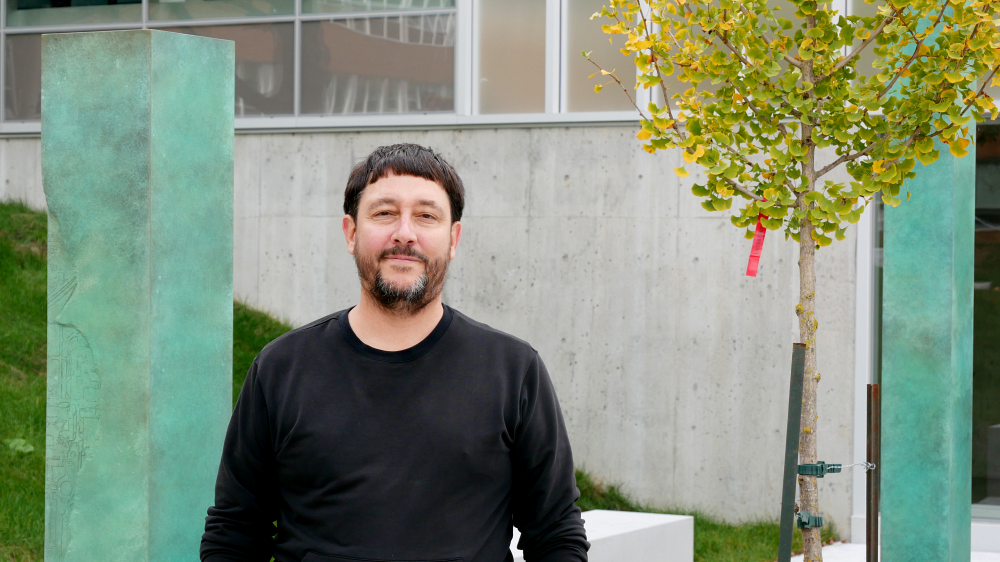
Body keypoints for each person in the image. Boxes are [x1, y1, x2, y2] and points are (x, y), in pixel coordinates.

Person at [200, 144, 589, 562]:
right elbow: (235, 533)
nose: (405, 232)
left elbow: (555, 533)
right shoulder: (281, 369)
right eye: (385, 213)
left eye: (426, 215)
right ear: (351, 232)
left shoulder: (513, 371)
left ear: (453, 238)